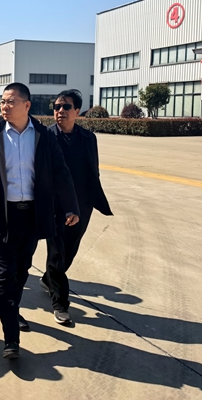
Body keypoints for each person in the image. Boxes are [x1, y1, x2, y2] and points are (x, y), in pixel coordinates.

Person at [0, 82, 80, 360]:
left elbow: (60, 172)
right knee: (4, 276)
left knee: (21, 271)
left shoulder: (44, 136)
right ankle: (11, 339)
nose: (4, 106)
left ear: (27, 105)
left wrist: (71, 207)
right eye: (2, 102)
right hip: (0, 216)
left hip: (31, 215)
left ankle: (12, 309)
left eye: (11, 101)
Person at [41, 90, 113, 325]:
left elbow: (93, 170)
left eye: (66, 107)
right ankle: (60, 304)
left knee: (70, 251)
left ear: (77, 111)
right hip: (54, 205)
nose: (60, 111)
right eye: (57, 107)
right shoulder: (45, 136)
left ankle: (48, 279)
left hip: (81, 204)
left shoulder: (88, 138)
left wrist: (91, 199)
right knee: (57, 253)